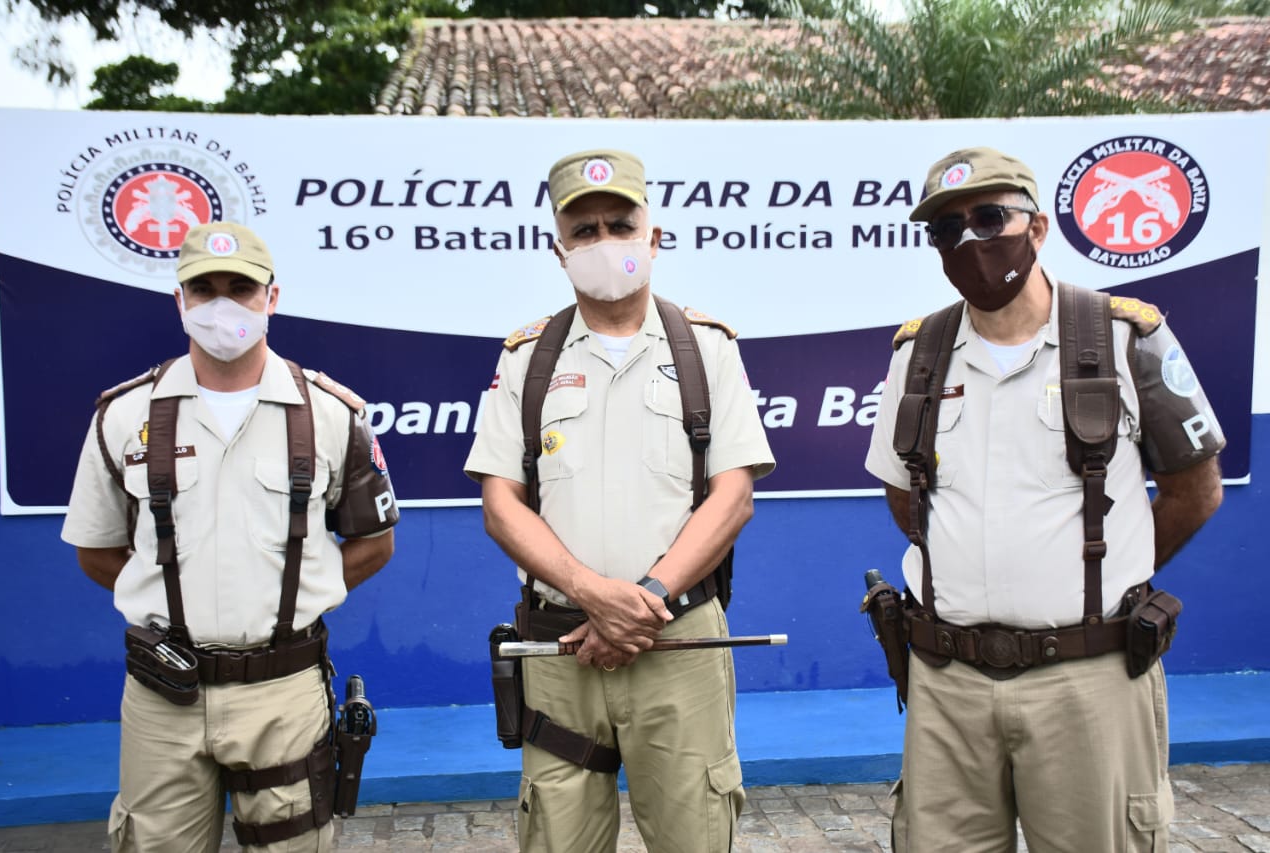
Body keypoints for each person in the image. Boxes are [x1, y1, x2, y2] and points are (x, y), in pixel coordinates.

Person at [863, 146, 1226, 852]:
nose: (969, 241)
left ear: (1037, 228)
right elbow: (907, 501)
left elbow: (1195, 490)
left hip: (1086, 680)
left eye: (989, 218)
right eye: (947, 229)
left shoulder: (1124, 338)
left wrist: (1105, 575)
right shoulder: (918, 354)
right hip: (947, 683)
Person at [464, 149, 775, 853]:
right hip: (559, 646)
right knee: (558, 838)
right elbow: (500, 503)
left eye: (619, 224)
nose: (604, 243)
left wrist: (645, 599)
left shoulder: (707, 350)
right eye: (585, 231)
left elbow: (733, 497)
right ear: (559, 249)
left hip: (681, 641)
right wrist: (590, 593)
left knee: (696, 832)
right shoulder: (527, 360)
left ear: (653, 238)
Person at [61, 221, 399, 853]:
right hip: (164, 695)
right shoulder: (125, 415)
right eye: (204, 289)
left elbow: (374, 543)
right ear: (179, 302)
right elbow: (98, 551)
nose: (222, 305)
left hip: (284, 691)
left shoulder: (330, 415)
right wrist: (177, 595)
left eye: (239, 288)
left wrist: (288, 595)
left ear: (271, 298)